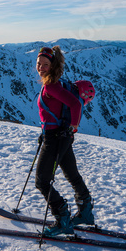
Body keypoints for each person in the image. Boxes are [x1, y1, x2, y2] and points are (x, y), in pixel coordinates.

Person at [35, 45, 94, 236]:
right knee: (72, 174)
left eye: (45, 64)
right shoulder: (56, 83)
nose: (41, 67)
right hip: (61, 136)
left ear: (52, 66)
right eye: (39, 63)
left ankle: (62, 219)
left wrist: (72, 127)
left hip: (56, 137)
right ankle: (85, 212)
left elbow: (76, 104)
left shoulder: (52, 85)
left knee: (42, 181)